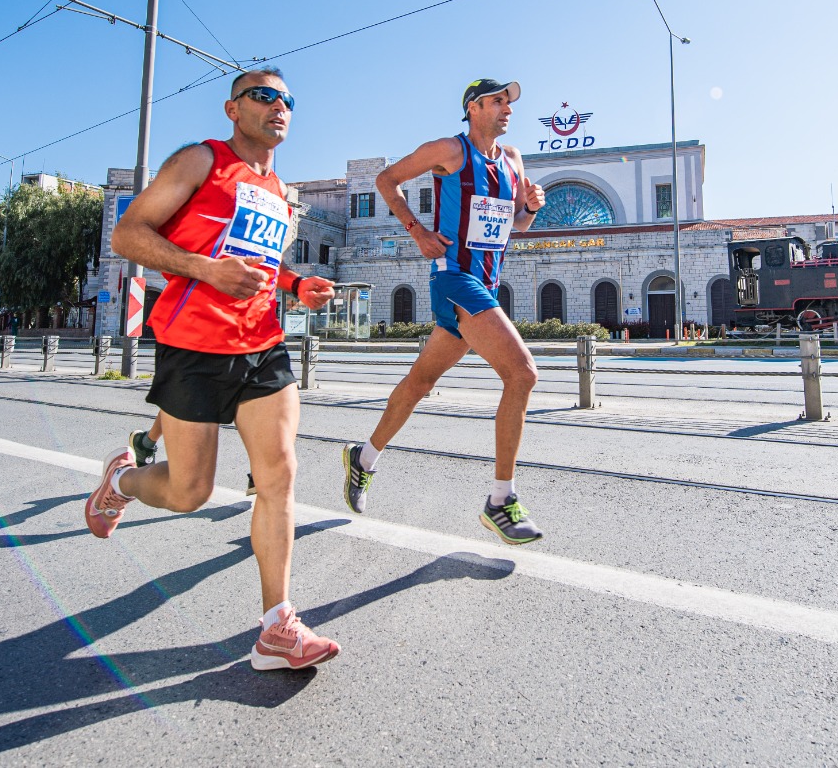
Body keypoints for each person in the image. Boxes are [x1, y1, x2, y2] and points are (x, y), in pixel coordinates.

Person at [86, 66, 340, 671]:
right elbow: (128, 236)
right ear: (233, 109)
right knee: (189, 491)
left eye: (287, 100)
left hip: (262, 345)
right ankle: (122, 482)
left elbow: (258, 263)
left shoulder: (278, 189)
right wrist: (204, 270)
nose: (279, 107)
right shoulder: (200, 160)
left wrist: (295, 283)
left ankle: (276, 628)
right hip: (193, 345)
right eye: (264, 96)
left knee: (278, 476)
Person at [340, 78, 548, 545]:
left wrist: (532, 208)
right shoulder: (449, 151)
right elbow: (385, 180)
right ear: (473, 107)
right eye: (498, 101)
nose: (507, 108)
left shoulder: (513, 159)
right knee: (522, 374)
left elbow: (517, 223)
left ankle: (363, 458)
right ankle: (500, 501)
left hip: (486, 282)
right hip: (454, 278)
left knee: (420, 382)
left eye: (509, 102)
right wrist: (416, 231)